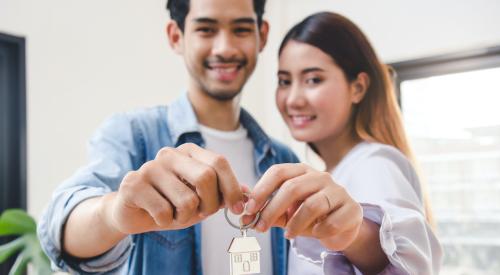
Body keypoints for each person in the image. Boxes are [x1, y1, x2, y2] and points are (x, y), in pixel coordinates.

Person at [37, 0, 299, 274]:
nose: (225, 48)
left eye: (242, 30)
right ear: (177, 36)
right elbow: (61, 227)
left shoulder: (282, 159)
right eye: (206, 30)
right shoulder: (135, 134)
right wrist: (114, 214)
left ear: (263, 35)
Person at [244, 12, 443, 274]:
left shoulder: (375, 164)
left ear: (358, 88)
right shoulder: (335, 170)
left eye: (313, 79)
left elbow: (405, 260)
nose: (293, 99)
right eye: (284, 81)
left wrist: (354, 234)